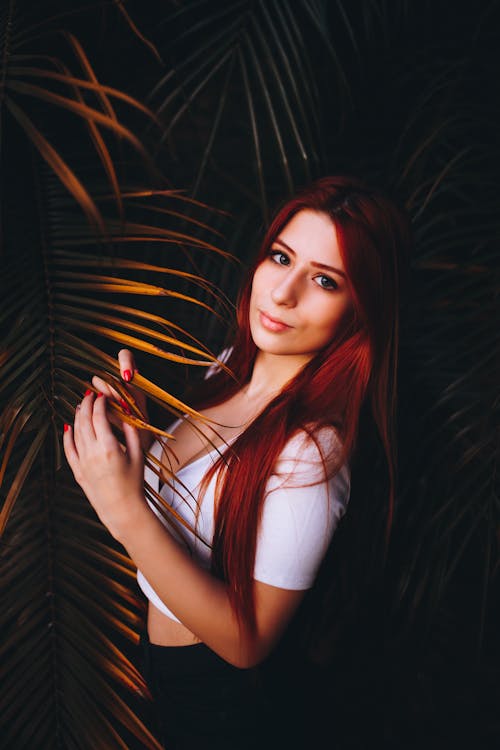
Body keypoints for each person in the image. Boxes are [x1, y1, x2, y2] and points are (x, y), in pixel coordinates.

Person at [63, 175, 412, 749]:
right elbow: (188, 509)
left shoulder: (311, 456)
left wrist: (121, 505)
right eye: (281, 257)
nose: (282, 292)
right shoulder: (228, 368)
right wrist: (137, 435)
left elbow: (248, 643)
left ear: (362, 309)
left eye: (325, 280)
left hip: (217, 705)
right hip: (152, 667)